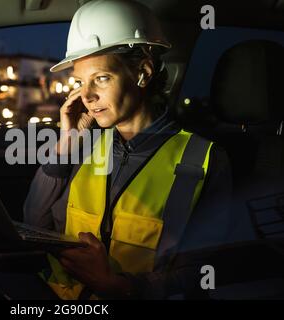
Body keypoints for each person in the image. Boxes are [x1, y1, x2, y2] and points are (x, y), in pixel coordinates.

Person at [23, 0, 232, 299]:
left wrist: (117, 286)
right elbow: (33, 224)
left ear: (142, 73)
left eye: (102, 78)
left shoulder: (203, 160)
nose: (88, 95)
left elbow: (202, 273)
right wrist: (66, 144)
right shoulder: (84, 148)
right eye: (80, 82)